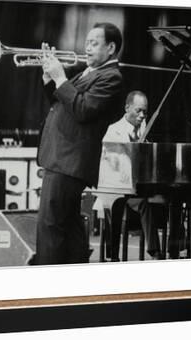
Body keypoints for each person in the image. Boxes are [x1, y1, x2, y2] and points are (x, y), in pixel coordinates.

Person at [35, 22, 124, 265]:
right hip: (64, 159)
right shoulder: (89, 72)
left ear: (111, 48)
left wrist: (61, 77)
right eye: (86, 43)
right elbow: (60, 102)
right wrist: (48, 78)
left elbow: (83, 110)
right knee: (70, 227)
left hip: (69, 161)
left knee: (50, 227)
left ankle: (46, 284)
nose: (87, 48)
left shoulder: (111, 77)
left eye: (94, 43)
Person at [102, 91, 165, 260]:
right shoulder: (113, 130)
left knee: (172, 198)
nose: (142, 116)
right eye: (139, 111)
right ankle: (154, 252)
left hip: (138, 187)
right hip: (117, 189)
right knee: (144, 203)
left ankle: (177, 246)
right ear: (127, 108)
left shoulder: (145, 129)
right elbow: (111, 163)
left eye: (145, 112)